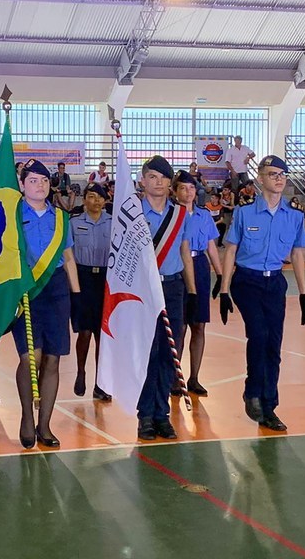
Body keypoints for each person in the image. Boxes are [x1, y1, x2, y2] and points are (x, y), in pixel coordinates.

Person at [218, 155, 305, 432]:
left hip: (275, 283)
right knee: (258, 333)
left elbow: (297, 254)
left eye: (282, 174)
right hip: (247, 281)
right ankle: (252, 392)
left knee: (273, 344)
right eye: (272, 174)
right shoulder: (244, 213)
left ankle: (269, 406)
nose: (279, 179)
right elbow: (231, 250)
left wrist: (304, 294)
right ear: (260, 178)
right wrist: (224, 289)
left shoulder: (295, 216)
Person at [12, 159, 80, 449]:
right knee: (30, 358)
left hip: (56, 290)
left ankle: (45, 424)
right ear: (21, 185)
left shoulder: (61, 218)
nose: (39, 185)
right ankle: (27, 418)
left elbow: (68, 258)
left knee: (53, 358)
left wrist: (76, 295)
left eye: (43, 180)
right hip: (25, 290)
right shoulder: (12, 216)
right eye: (32, 180)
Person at [137, 156, 197, 441]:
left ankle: (162, 414)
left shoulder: (180, 215)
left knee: (168, 353)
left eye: (163, 177)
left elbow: (185, 252)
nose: (158, 182)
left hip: (172, 287)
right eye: (152, 176)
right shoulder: (132, 213)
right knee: (148, 353)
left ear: (170, 182)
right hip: (143, 290)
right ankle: (145, 416)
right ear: (143, 181)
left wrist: (192, 291)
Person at [174, 171, 221, 397]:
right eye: (183, 188)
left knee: (199, 325)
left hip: (200, 265)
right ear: (175, 191)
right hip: (178, 267)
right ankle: (176, 378)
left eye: (191, 188)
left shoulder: (204, 215)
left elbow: (211, 245)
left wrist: (220, 275)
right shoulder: (172, 214)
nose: (188, 192)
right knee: (180, 326)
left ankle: (194, 378)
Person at [70, 183, 112, 401]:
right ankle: (81, 371)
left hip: (106, 281)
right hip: (83, 279)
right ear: (84, 199)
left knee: (102, 335)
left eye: (99, 197)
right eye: (91, 196)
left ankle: (100, 383)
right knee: (85, 332)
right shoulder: (74, 223)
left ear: (105, 200)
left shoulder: (114, 223)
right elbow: (68, 255)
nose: (95, 201)